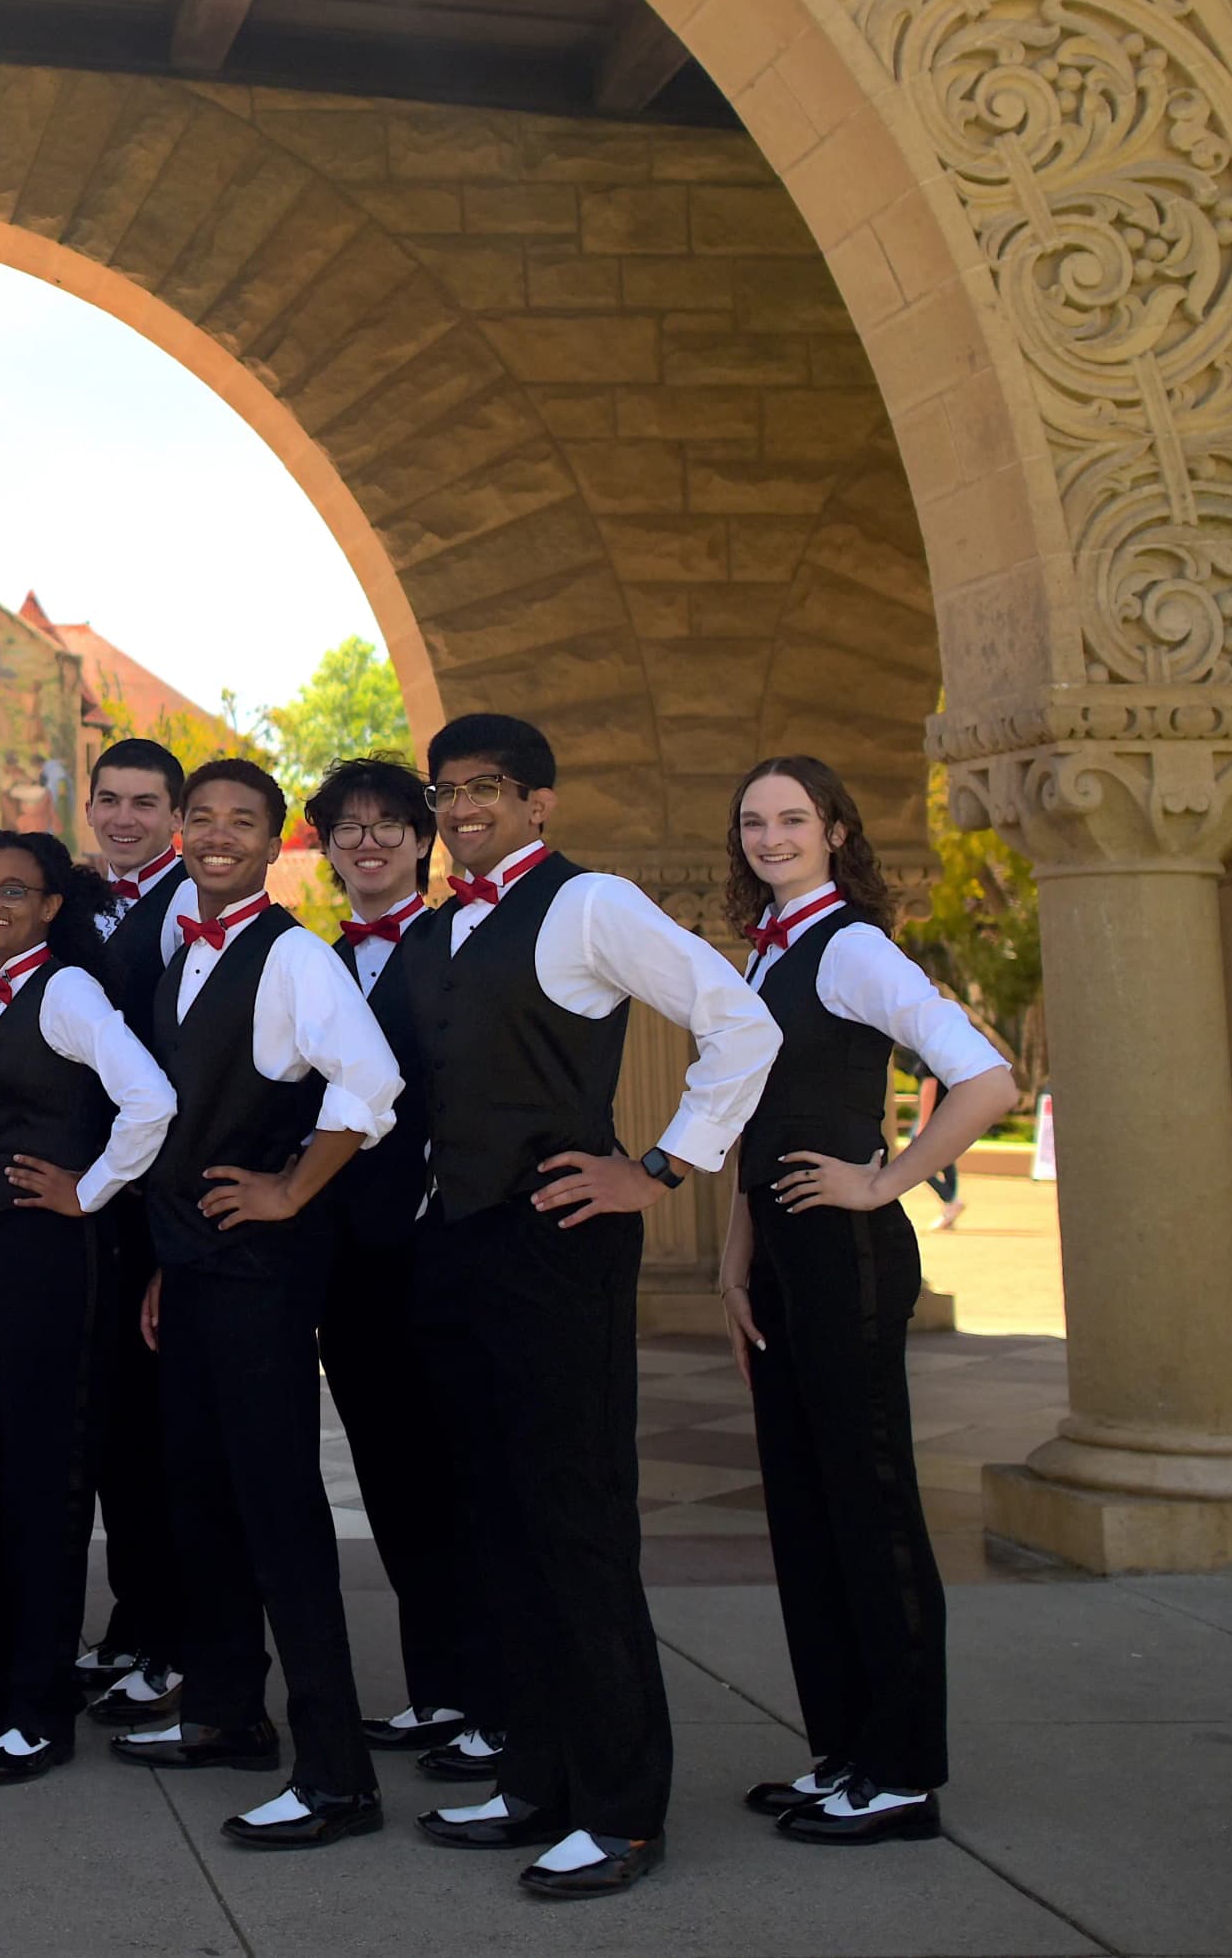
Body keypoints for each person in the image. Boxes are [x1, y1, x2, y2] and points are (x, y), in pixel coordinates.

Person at [395, 711, 778, 1901]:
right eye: (448, 790)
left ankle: (619, 1812)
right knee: (496, 1525)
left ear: (540, 802)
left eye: (490, 788)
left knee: (576, 1527)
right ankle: (534, 1778)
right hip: (459, 1252)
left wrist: (657, 1169)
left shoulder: (591, 904)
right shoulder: (436, 928)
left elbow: (741, 1023)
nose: (465, 809)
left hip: (559, 1246)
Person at [719, 755, 1013, 1848]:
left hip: (848, 1260)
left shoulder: (852, 946)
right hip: (787, 1259)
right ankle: (843, 1750)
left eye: (794, 818)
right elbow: (759, 1120)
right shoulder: (772, 950)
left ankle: (899, 1774)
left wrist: (884, 1178)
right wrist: (735, 1257)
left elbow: (987, 1080)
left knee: (872, 1508)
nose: (771, 835)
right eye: (754, 820)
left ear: (837, 831)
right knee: (807, 1513)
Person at [109, 758, 402, 1851]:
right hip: (189, 1267)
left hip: (261, 1273)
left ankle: (337, 1775)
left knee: (278, 1509)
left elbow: (368, 1084)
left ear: (275, 843)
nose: (218, 834)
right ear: (180, 832)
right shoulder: (185, 951)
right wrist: (163, 1259)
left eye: (244, 821)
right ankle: (224, 1713)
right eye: (203, 818)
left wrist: (290, 1188)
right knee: (202, 1500)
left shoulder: (289, 956)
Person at [0, 831, 177, 1780]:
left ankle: (39, 1703)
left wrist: (89, 1189)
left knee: (42, 1476)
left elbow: (150, 1101)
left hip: (55, 1261)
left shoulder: (65, 990)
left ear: (51, 905)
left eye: (14, 891)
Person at [305, 757, 503, 1770]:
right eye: (349, 827)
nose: (368, 841)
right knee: (391, 1475)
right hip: (349, 1258)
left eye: (388, 825)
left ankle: (495, 1699)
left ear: (421, 840)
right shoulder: (318, 960)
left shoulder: (454, 944)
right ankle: (438, 1689)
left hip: (440, 1250)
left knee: (464, 1474)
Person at [76, 736, 194, 1720]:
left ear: (176, 814)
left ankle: (176, 1635)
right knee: (117, 1427)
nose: (124, 817)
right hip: (102, 1207)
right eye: (109, 799)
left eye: (144, 803)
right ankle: (134, 1617)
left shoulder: (190, 907)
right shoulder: (80, 902)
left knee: (168, 1436)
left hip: (161, 1202)